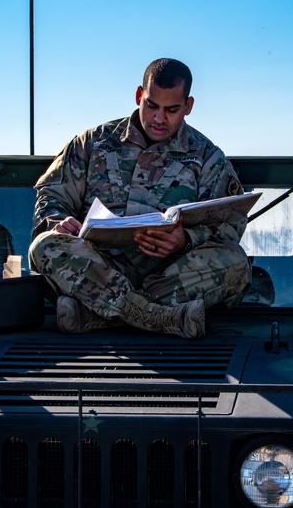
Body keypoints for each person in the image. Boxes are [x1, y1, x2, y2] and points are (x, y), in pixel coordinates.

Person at [28, 57, 251, 339]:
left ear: (188, 106)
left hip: (170, 273)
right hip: (97, 266)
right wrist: (59, 221)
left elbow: (231, 225)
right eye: (152, 105)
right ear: (138, 96)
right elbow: (51, 195)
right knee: (44, 246)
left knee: (236, 263)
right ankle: (154, 317)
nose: (159, 119)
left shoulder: (208, 158)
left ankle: (100, 315)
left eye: (171, 109)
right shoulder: (92, 143)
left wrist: (186, 240)